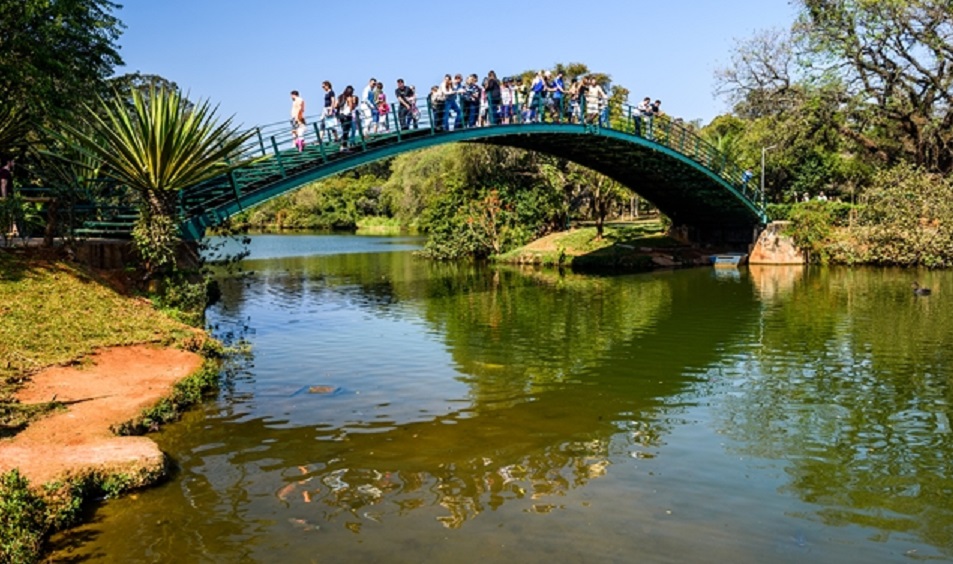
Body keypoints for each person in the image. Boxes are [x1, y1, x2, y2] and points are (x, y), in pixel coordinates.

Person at [337, 85, 358, 150]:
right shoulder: (349, 98)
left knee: (344, 130)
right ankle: (343, 146)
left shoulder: (340, 97)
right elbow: (351, 108)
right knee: (346, 131)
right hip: (347, 115)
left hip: (341, 115)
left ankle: (343, 145)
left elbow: (335, 105)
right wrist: (353, 104)